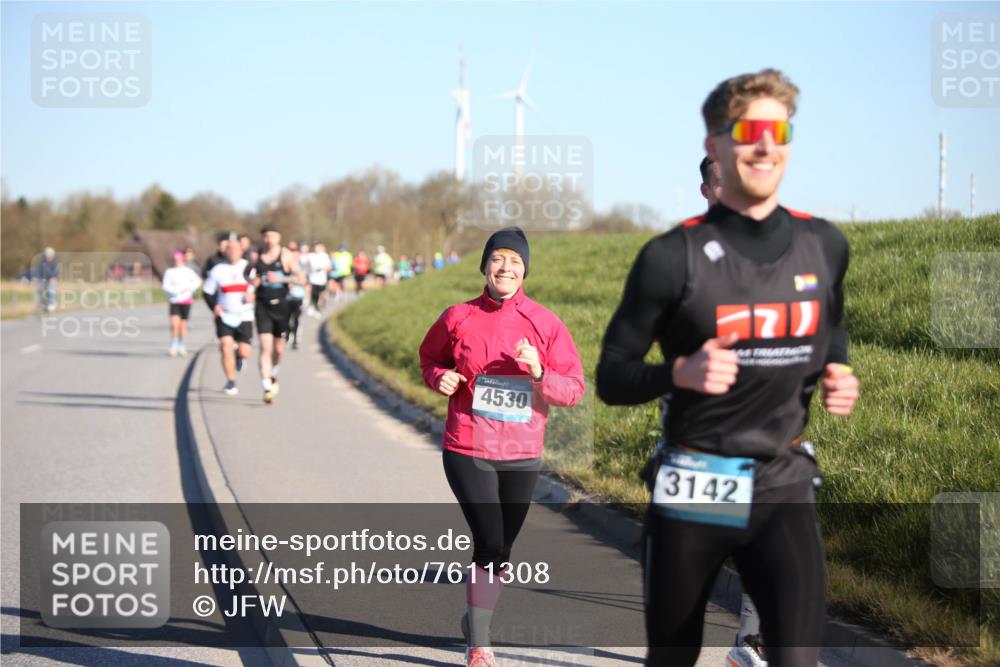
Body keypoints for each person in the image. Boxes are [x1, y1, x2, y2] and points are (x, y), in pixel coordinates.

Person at [596, 69, 859, 667]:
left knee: (795, 659)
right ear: (715, 146)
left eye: (779, 130)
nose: (766, 145)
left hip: (783, 478)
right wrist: (677, 374)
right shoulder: (670, 257)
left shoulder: (824, 244)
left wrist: (838, 370)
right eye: (749, 130)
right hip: (697, 482)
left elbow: (832, 320)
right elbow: (611, 377)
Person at [419, 227, 586, 667]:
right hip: (468, 443)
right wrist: (441, 378)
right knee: (489, 539)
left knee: (504, 547)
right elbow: (430, 358)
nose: (505, 268)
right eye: (497, 259)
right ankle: (479, 643)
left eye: (514, 261)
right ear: (485, 266)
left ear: (525, 269)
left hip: (521, 449)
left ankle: (476, 619)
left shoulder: (546, 323)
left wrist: (537, 373)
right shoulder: (458, 316)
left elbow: (572, 390)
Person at [253, 225, 305, 403]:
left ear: (279, 237)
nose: (269, 240)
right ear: (262, 238)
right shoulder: (256, 256)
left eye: (272, 236)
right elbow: (246, 277)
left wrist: (282, 279)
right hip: (262, 305)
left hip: (281, 306)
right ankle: (267, 385)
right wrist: (252, 284)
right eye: (266, 236)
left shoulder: (285, 256)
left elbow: (301, 278)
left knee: (278, 349)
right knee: (264, 347)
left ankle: (273, 371)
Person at [202, 234, 256, 395]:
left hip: (245, 315)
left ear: (241, 250)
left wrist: (253, 296)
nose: (232, 252)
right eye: (229, 249)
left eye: (236, 249)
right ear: (225, 251)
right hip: (225, 315)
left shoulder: (250, 267)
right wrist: (214, 306)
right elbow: (207, 291)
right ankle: (231, 381)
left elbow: (260, 287)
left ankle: (240, 358)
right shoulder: (218, 270)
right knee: (226, 347)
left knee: (244, 350)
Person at [161, 251, 202, 356]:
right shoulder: (170, 272)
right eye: (175, 260)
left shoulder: (188, 271)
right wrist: (174, 291)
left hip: (186, 300)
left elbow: (197, 282)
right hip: (174, 300)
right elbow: (165, 286)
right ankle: (174, 344)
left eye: (179, 259)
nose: (177, 261)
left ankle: (181, 344)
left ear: (183, 260)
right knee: (175, 325)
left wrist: (189, 289)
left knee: (183, 325)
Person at [285, 242, 306, 350]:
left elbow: (304, 281)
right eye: (290, 250)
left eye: (294, 250)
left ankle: (295, 340)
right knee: (287, 318)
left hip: (298, 295)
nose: (293, 253)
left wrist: (293, 282)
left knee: (296, 317)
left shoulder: (302, 265)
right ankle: (288, 334)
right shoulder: (284, 265)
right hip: (286, 296)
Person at [305, 242, 331, 317]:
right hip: (313, 279)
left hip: (322, 279)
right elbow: (305, 265)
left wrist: (322, 269)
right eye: (316, 247)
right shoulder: (310, 256)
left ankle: (319, 308)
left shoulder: (325, 256)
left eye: (319, 247)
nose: (317, 249)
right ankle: (314, 307)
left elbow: (329, 267)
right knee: (314, 294)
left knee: (321, 295)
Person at [33, 247, 59, 312]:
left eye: (50, 254)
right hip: (42, 279)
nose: (48, 256)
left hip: (51, 279)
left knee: (51, 291)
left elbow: (56, 272)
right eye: (47, 254)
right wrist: (36, 277)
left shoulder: (55, 263)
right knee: (40, 290)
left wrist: (53, 277)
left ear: (52, 255)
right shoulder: (41, 263)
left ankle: (52, 304)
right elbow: (38, 271)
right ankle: (42, 304)